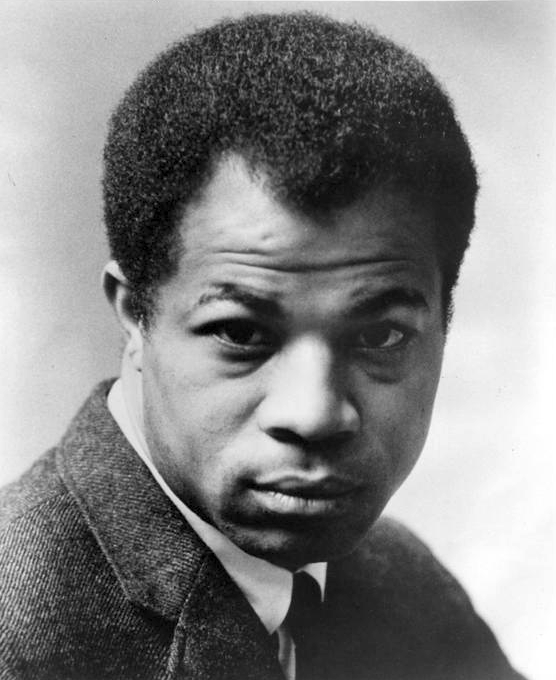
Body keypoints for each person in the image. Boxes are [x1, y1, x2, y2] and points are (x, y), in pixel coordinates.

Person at [0, 12, 525, 680]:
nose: (314, 414)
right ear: (135, 316)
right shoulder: (16, 633)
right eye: (242, 334)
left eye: (380, 335)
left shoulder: (405, 587)